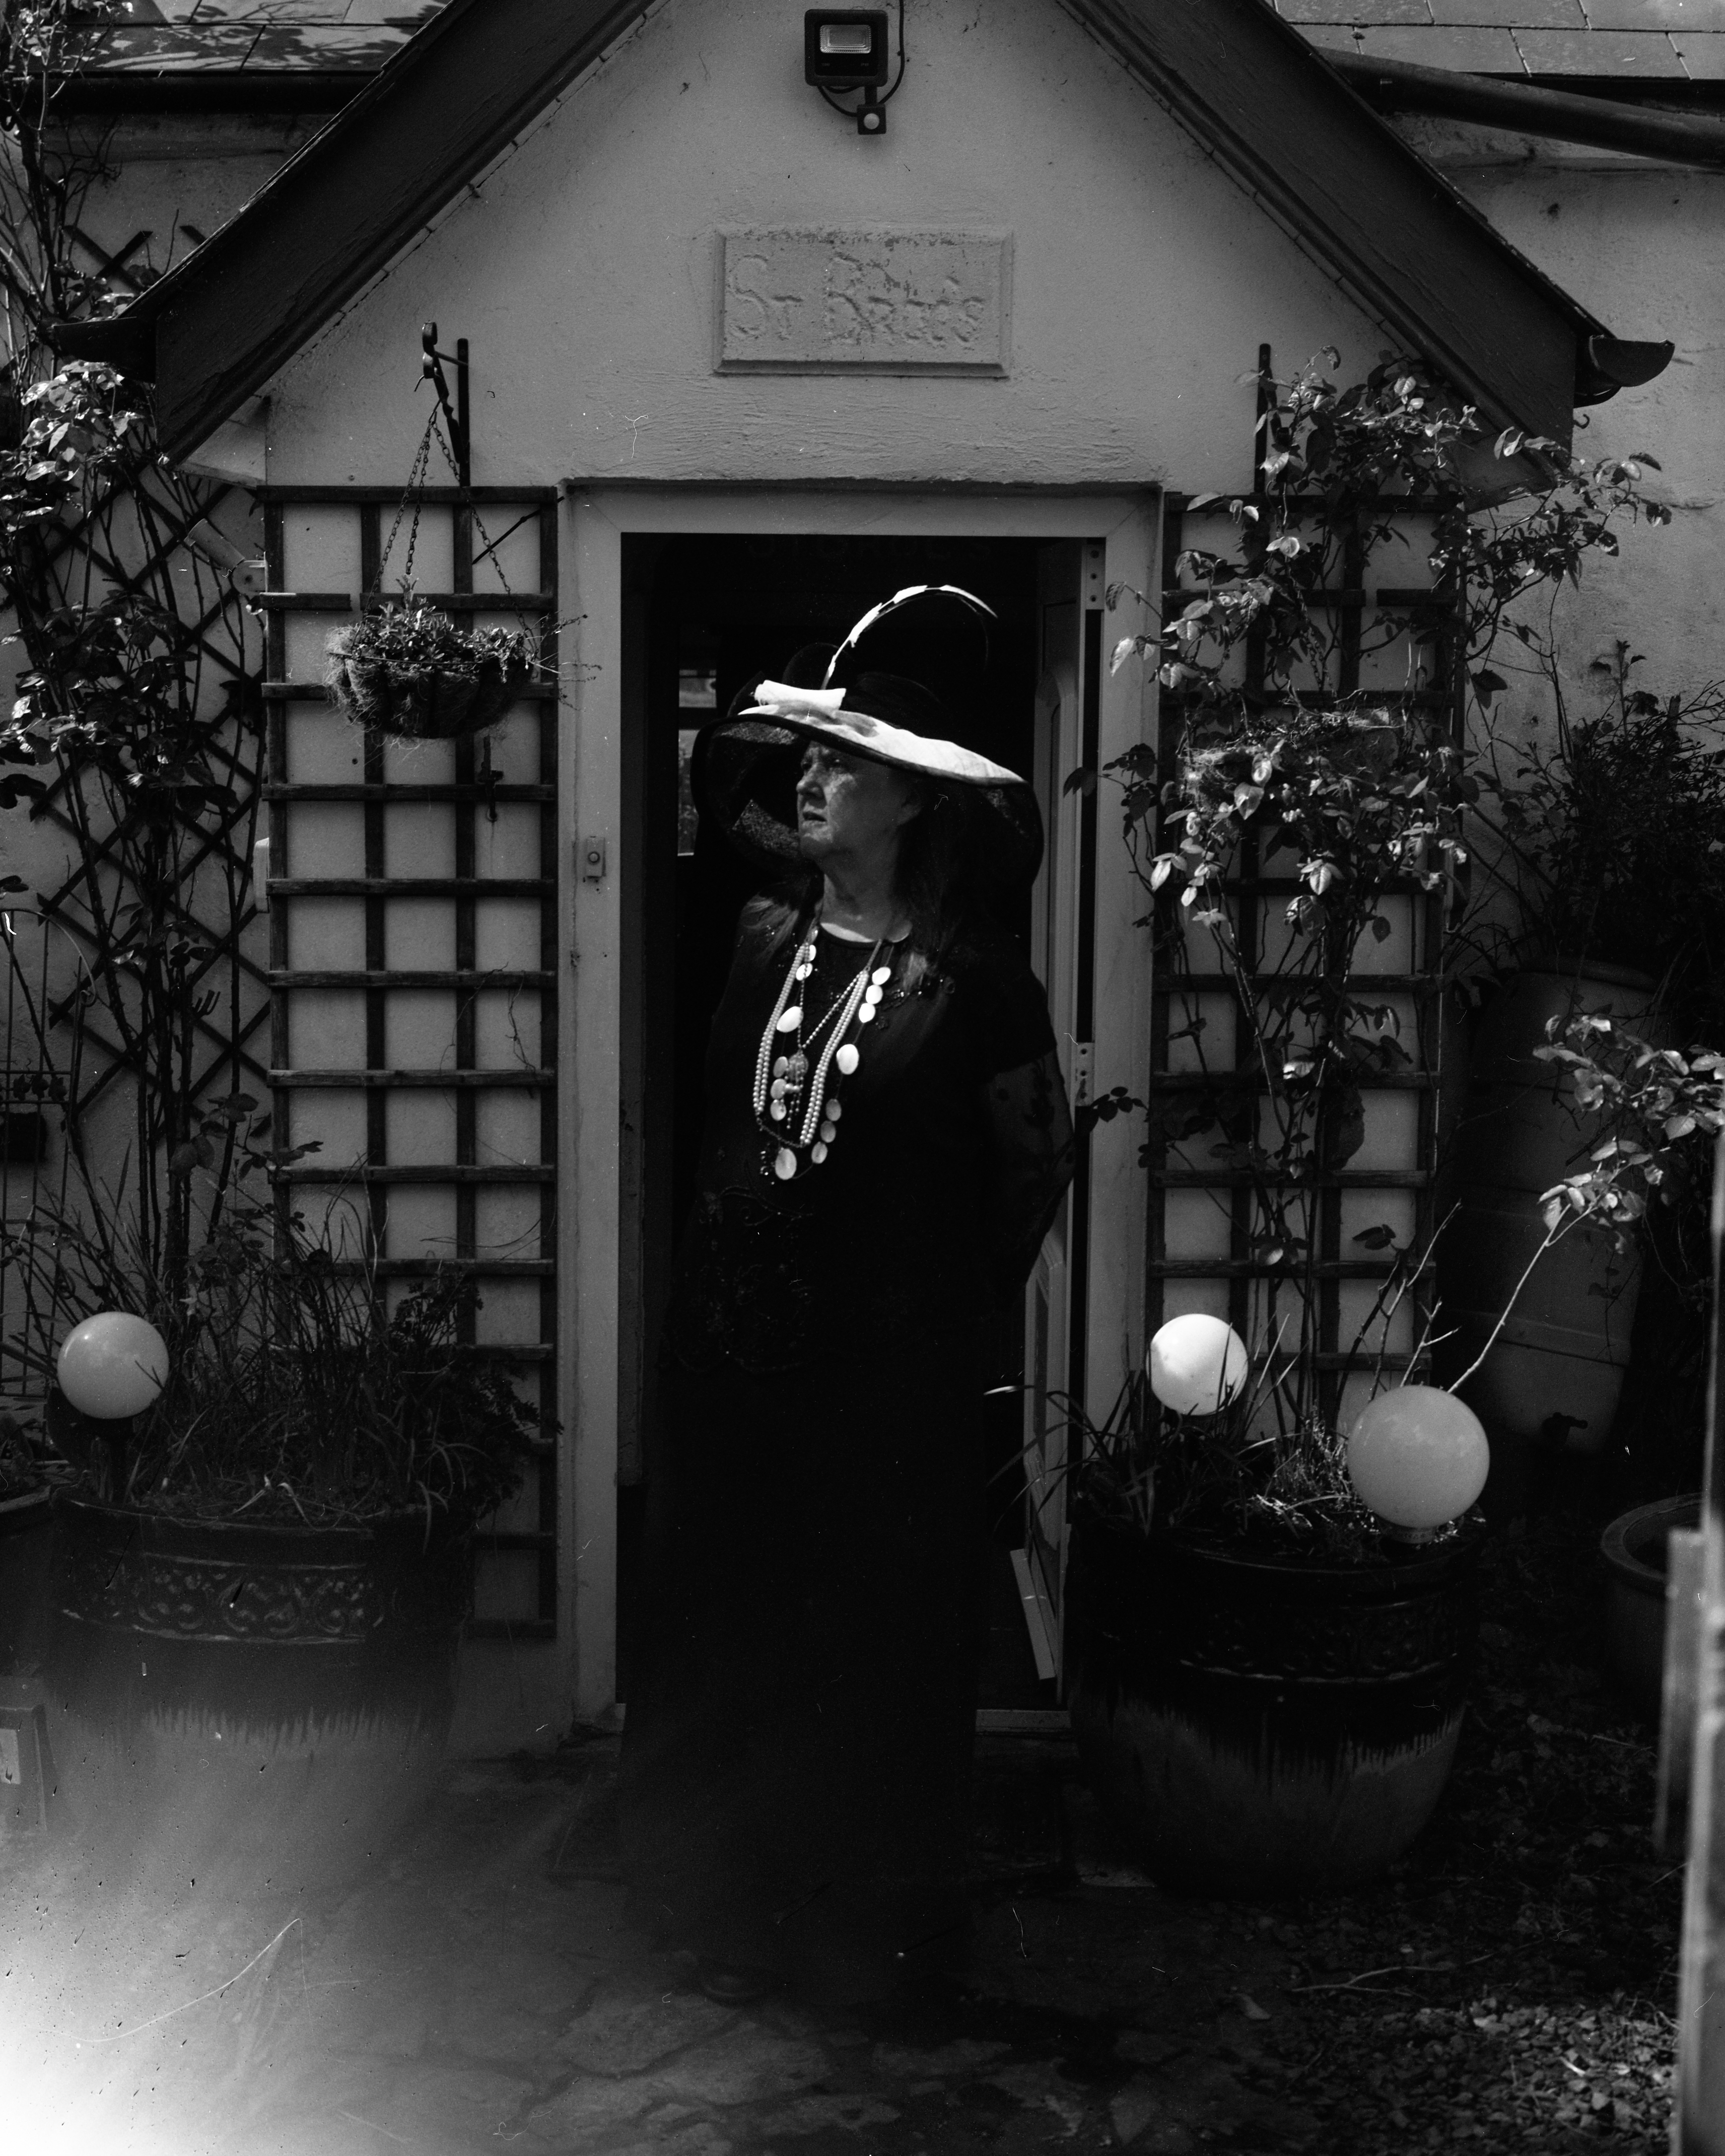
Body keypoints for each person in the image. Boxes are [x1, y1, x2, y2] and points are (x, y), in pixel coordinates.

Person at [618, 588, 1075, 2008]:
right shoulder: (757, 935)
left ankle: (867, 1925)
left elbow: (1028, 1172)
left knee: (864, 1642)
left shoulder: (978, 985)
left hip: (884, 1383)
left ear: (915, 804)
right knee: (731, 1623)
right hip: (731, 1362)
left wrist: (918, 1305)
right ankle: (722, 1908)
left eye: (845, 765)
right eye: (811, 760)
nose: (810, 779)